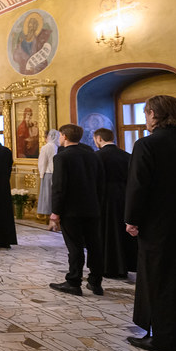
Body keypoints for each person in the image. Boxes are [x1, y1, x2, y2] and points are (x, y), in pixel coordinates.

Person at [124, 95, 176, 351]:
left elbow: (138, 186)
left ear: (153, 114)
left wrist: (132, 219)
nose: (146, 118)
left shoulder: (147, 144)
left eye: (147, 113)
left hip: (160, 224)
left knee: (161, 279)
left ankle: (166, 338)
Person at [49, 124, 105, 296]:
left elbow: (59, 187)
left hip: (71, 210)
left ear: (64, 136)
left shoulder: (62, 158)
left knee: (75, 247)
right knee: (95, 245)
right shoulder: (92, 156)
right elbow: (100, 182)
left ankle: (73, 281)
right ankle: (96, 283)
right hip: (92, 208)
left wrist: (55, 211)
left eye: (60, 135)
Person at [93, 128, 136, 279]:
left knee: (107, 233)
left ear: (99, 139)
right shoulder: (126, 155)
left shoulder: (97, 156)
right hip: (124, 197)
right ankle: (125, 264)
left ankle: (108, 266)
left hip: (105, 198)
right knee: (122, 231)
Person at [37, 130, 60, 223]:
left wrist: (41, 174)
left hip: (47, 173)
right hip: (56, 173)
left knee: (47, 195)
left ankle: (48, 216)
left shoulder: (46, 147)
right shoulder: (57, 146)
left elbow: (42, 162)